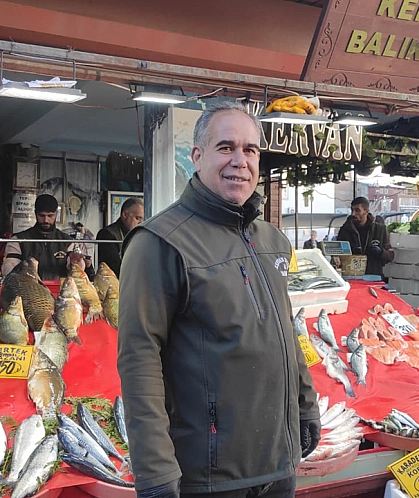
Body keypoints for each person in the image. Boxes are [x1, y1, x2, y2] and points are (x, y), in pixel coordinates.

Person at [117, 101, 320, 498]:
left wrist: (305, 403)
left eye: (250, 150)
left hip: (278, 464)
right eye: (225, 147)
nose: (239, 161)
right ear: (197, 156)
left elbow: (287, 332)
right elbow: (139, 358)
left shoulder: (272, 240)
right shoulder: (160, 243)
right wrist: (154, 470)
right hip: (208, 475)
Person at [2, 194, 85, 280]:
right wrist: (24, 270)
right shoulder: (18, 240)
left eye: (50, 216)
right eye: (41, 216)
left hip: (60, 291)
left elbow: (77, 271)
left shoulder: (68, 241)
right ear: (35, 214)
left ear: (56, 214)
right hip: (29, 291)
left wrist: (75, 263)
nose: (46, 220)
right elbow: (8, 269)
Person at [336, 197, 394, 277]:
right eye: (352, 210)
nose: (353, 214)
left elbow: (390, 255)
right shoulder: (345, 230)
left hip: (374, 277)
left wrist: (381, 252)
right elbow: (336, 254)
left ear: (366, 211)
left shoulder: (379, 230)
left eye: (357, 210)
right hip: (351, 277)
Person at [96, 198, 144, 277]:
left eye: (142, 219)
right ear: (125, 215)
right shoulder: (107, 234)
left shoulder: (137, 235)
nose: (140, 223)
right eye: (137, 218)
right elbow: (115, 267)